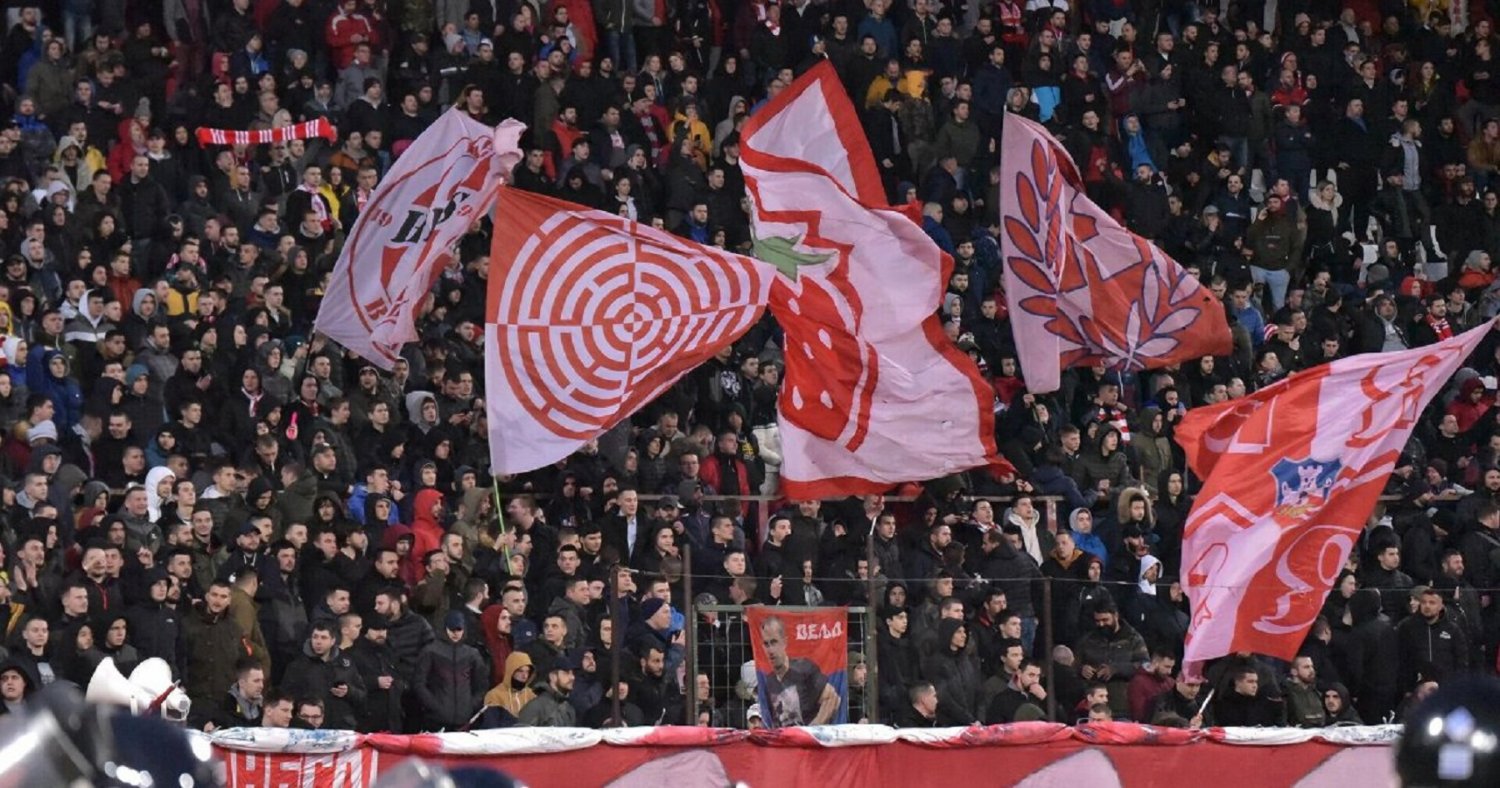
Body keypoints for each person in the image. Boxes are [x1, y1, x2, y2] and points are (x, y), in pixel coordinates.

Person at [757, 615, 840, 726]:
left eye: (774, 642)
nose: (770, 650)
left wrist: (812, 729)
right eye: (766, 644)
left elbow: (833, 699)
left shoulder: (804, 669)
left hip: (807, 734)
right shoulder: (768, 681)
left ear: (784, 642)